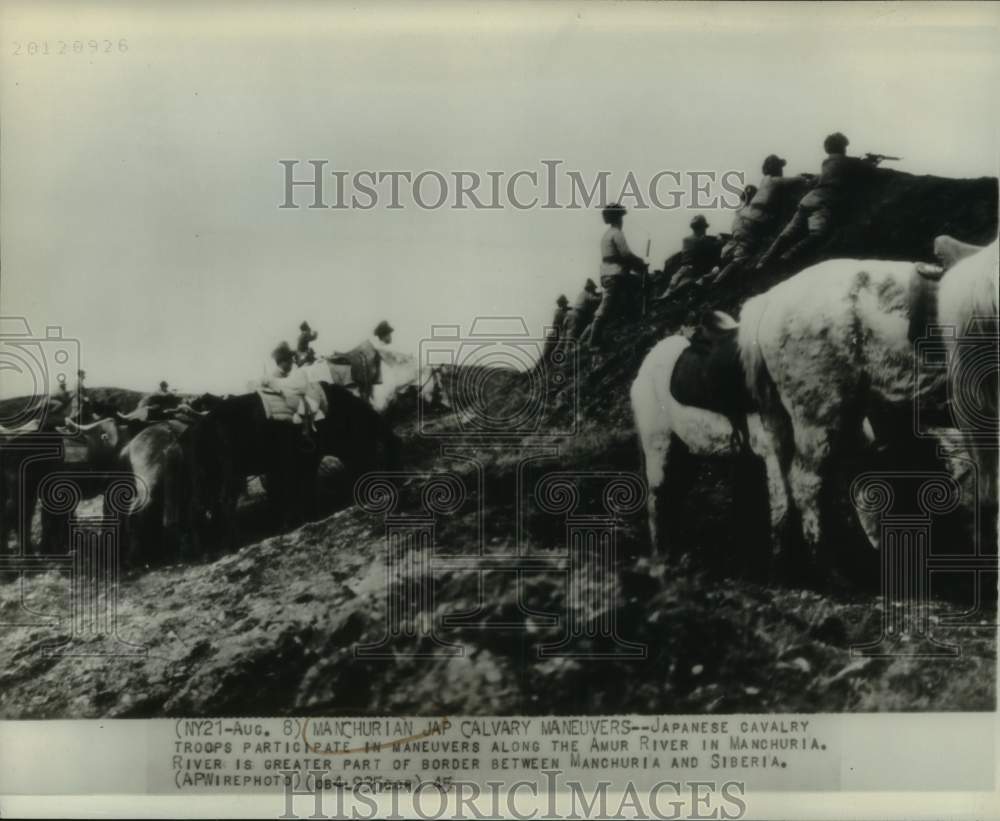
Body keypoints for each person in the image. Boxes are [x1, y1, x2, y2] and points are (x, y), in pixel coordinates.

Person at [757, 133, 879, 269]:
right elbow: (869, 169)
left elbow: (823, 176)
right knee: (818, 235)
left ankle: (763, 261)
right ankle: (788, 257)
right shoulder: (848, 162)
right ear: (842, 147)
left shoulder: (827, 162)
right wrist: (873, 161)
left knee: (787, 234)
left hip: (808, 200)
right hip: (823, 203)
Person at [589, 203, 648, 349]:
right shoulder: (616, 233)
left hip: (610, 274)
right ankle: (593, 342)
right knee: (607, 306)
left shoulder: (607, 234)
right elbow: (625, 254)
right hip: (615, 275)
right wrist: (640, 263)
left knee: (626, 296)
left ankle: (632, 324)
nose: (622, 220)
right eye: (621, 217)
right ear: (618, 218)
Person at [656, 215, 722, 300]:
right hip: (696, 271)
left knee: (672, 284)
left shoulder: (686, 240)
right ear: (702, 228)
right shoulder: (703, 241)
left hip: (683, 269)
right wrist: (719, 241)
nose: (705, 230)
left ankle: (666, 294)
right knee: (715, 271)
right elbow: (712, 249)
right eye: (704, 228)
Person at [565, 278, 603, 342]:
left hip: (574, 314)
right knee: (575, 334)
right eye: (593, 288)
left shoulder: (582, 293)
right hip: (578, 315)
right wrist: (603, 294)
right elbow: (595, 299)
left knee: (573, 334)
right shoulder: (587, 293)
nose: (594, 290)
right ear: (590, 288)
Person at [541, 295, 571, 363]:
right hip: (557, 333)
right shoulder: (560, 312)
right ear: (562, 304)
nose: (566, 305)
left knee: (545, 356)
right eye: (564, 303)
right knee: (546, 356)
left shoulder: (560, 311)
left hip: (555, 333)